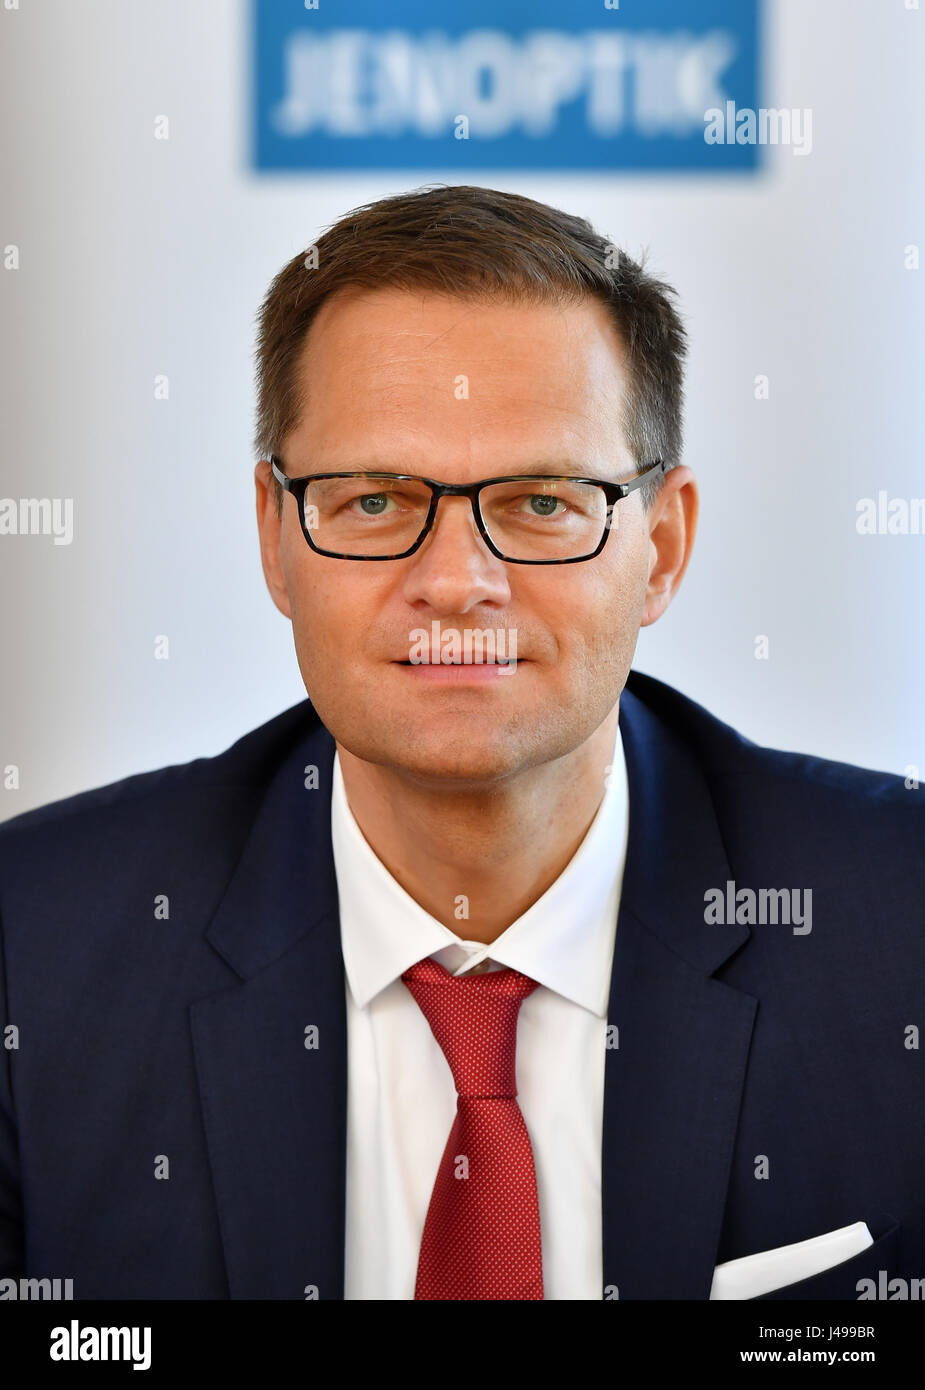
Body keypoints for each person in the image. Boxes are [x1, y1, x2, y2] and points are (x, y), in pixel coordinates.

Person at [1, 185, 922, 1302]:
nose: (454, 582)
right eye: (375, 501)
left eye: (540, 501)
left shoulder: (899, 921)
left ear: (663, 547)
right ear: (276, 537)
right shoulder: (31, 944)